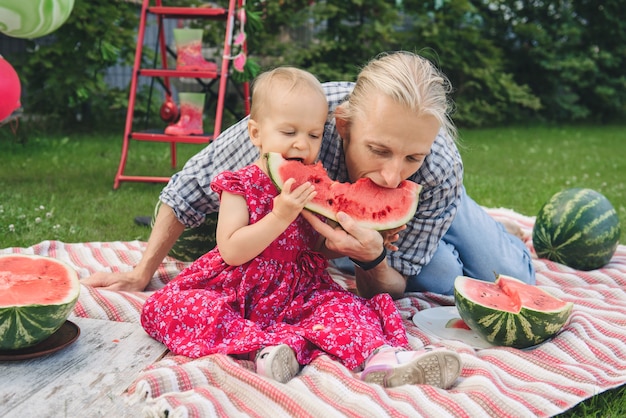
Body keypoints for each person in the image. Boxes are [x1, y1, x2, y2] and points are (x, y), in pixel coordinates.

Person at [83, 50, 535, 299]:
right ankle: (440, 225)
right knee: (439, 279)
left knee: (511, 274)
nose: (393, 176)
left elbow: (388, 276)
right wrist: (144, 270)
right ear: (342, 126)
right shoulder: (299, 122)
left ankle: (458, 210)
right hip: (344, 224)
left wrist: (372, 259)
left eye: (411, 158)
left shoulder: (438, 166)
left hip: (436, 198)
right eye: (378, 151)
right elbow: (188, 187)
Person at [140, 67, 462, 387]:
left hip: (300, 291)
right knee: (181, 307)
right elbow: (231, 250)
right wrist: (280, 215)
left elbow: (311, 245)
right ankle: (265, 349)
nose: (301, 145)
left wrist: (354, 249)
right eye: (289, 134)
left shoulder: (309, 186)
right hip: (242, 289)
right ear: (255, 134)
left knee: (347, 308)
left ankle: (384, 357)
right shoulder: (239, 184)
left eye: (313, 136)